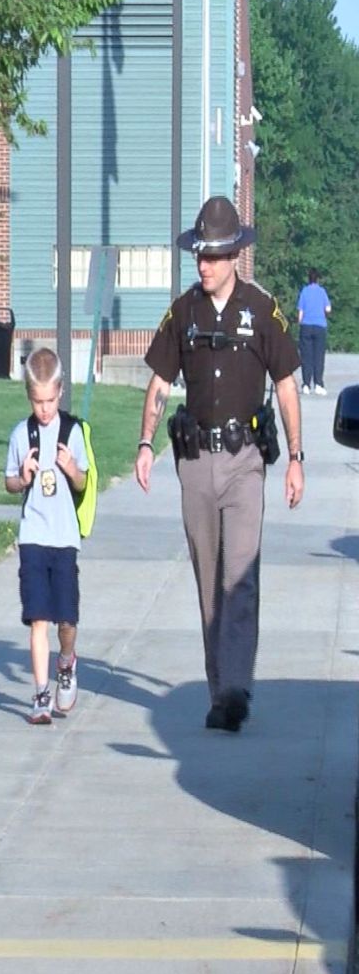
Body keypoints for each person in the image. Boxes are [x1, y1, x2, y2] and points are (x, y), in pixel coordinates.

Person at [134, 195, 303, 733]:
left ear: (234, 256)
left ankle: (235, 690)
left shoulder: (262, 309)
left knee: (240, 576)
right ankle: (218, 688)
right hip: (195, 463)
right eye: (199, 255)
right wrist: (144, 444)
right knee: (208, 578)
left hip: (246, 461)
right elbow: (160, 382)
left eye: (212, 256)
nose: (203, 265)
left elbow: (286, 385)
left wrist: (297, 457)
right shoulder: (182, 313)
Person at [4, 347, 88, 725]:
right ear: (29, 396)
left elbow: (84, 482)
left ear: (61, 392)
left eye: (51, 400)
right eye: (38, 402)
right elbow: (9, 482)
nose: (44, 409)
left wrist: (72, 469)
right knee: (39, 617)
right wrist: (22, 477)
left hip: (64, 537)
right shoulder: (22, 434)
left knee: (66, 619)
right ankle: (40, 694)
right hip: (34, 536)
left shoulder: (73, 432)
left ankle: (66, 662)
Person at [296, 268, 331, 396]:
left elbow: (300, 313)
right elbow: (328, 308)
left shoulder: (304, 292)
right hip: (320, 326)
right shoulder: (322, 292)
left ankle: (306, 384)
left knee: (306, 357)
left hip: (306, 326)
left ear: (308, 279)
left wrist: (300, 323)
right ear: (318, 279)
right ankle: (318, 384)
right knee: (318, 357)